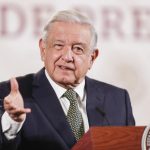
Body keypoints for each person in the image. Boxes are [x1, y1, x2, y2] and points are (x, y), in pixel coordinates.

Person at [0, 10, 135, 150]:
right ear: (43, 49)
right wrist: (12, 122)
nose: (67, 56)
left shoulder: (118, 99)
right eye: (58, 45)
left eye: (78, 49)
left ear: (92, 57)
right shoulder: (8, 95)